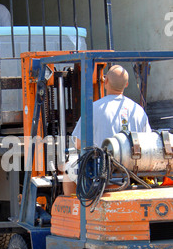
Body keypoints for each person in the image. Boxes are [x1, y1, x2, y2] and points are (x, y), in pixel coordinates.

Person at [63, 64, 152, 195]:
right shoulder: (138, 110)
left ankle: (73, 211)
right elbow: (148, 144)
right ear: (126, 84)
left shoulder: (93, 109)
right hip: (133, 172)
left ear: (106, 81)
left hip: (101, 172)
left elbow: (78, 143)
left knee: (68, 167)